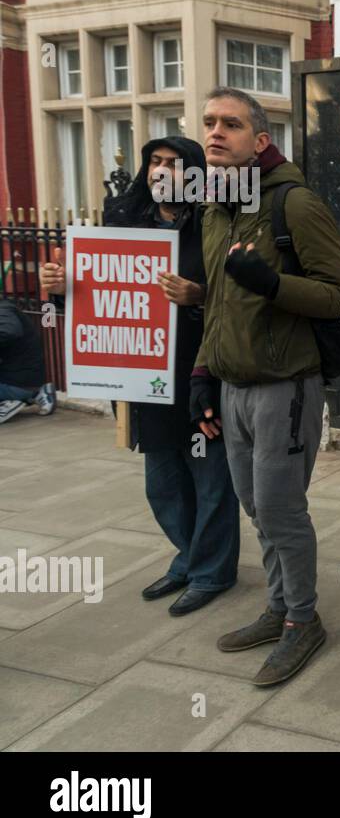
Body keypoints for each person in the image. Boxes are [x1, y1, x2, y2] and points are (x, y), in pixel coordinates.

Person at [192, 87, 340, 686]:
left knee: (283, 511)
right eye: (208, 122)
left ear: (260, 140)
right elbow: (217, 304)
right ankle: (279, 606)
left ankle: (303, 622)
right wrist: (201, 377)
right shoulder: (215, 206)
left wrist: (272, 284)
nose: (215, 133)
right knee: (256, 508)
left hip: (285, 387)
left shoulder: (295, 203)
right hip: (232, 387)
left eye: (230, 124)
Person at [38, 137, 240, 614]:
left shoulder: (215, 226)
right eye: (155, 162)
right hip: (143, 381)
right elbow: (99, 303)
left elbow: (245, 299)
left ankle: (213, 572)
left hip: (201, 375)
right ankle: (188, 557)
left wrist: (201, 295)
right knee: (163, 483)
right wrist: (62, 288)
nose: (162, 170)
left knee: (211, 482)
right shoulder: (122, 225)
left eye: (174, 163)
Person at [0, 266, 54, 424]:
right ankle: (34, 394)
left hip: (19, 381)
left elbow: (11, 330)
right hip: (19, 378)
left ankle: (13, 399)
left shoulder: (3, 309)